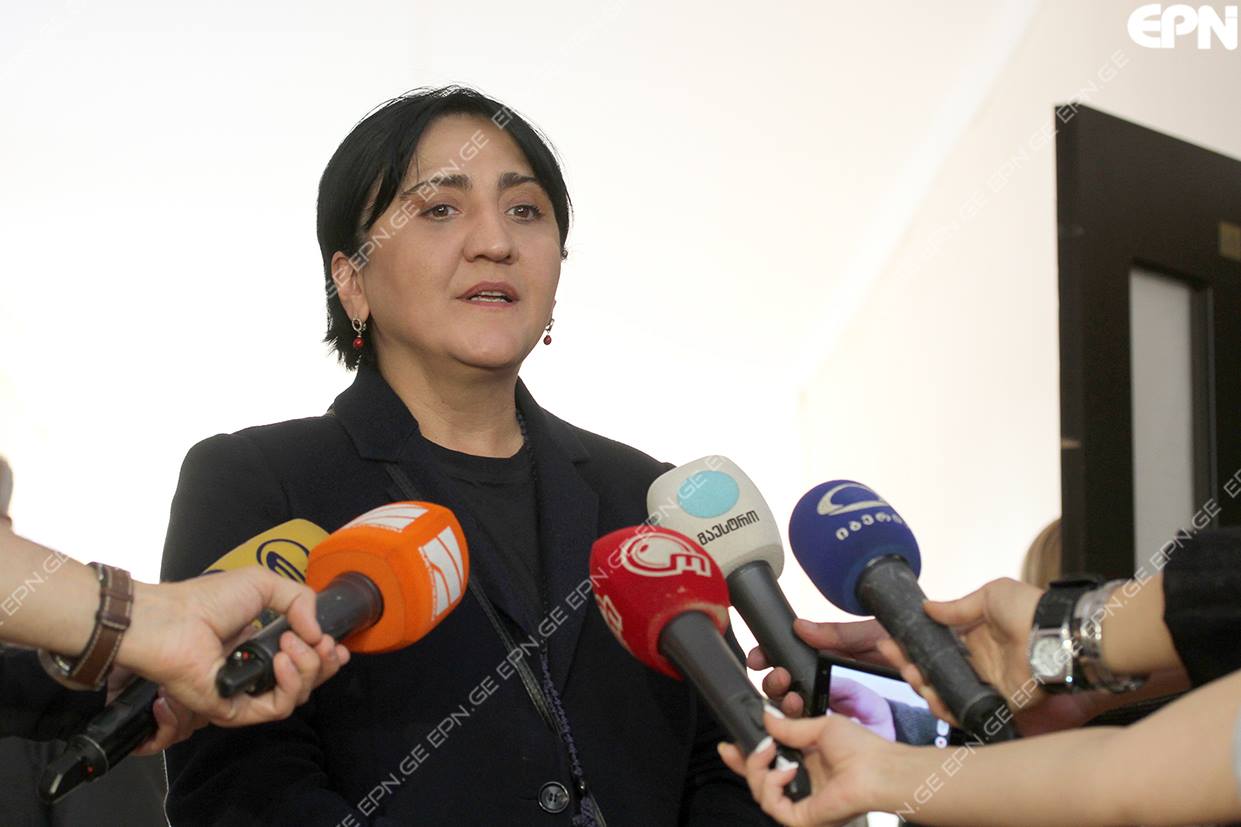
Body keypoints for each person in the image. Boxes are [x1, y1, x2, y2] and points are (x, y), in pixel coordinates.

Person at [159, 85, 773, 825]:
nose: (495, 242)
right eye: (440, 209)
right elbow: (240, 788)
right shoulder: (260, 479)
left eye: (525, 210)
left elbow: (731, 760)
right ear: (351, 280)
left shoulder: (645, 494)